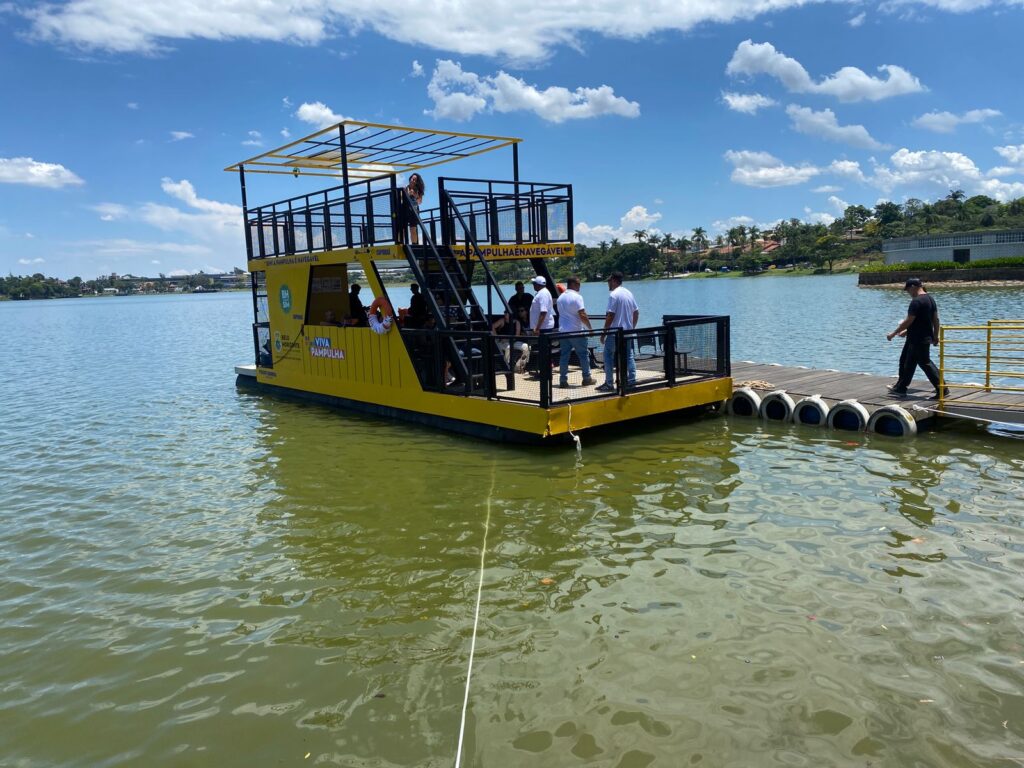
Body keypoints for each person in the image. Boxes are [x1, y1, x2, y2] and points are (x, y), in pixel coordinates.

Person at [886, 277, 946, 398]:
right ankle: (901, 388)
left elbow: (909, 320)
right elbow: (934, 319)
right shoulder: (930, 299)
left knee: (925, 363)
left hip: (919, 339)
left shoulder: (916, 301)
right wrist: (935, 335)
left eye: (908, 290)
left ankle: (942, 389)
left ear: (913, 287)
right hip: (918, 337)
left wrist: (894, 333)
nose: (908, 293)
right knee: (906, 361)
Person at [598, 271, 639, 392]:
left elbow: (610, 315)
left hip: (614, 333)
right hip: (627, 332)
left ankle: (609, 383)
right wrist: (632, 327)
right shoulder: (628, 293)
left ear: (614, 280)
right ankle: (631, 382)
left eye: (609, 281)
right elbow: (636, 312)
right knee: (629, 357)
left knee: (608, 355)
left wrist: (603, 333)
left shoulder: (614, 295)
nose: (608, 283)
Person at [555, 275, 595, 387]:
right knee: (583, 354)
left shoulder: (560, 298)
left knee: (564, 356)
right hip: (576, 331)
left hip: (563, 331)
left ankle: (563, 380)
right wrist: (590, 329)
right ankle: (587, 378)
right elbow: (582, 314)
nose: (579, 286)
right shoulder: (577, 297)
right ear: (572, 284)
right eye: (578, 284)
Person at [406, 173, 425, 245]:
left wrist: (414, 195)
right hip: (405, 210)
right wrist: (407, 194)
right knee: (402, 229)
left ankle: (414, 244)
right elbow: (401, 199)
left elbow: (420, 202)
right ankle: (401, 244)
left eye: (415, 180)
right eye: (412, 179)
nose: (413, 181)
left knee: (413, 229)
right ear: (410, 179)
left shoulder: (418, 191)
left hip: (414, 211)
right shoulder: (405, 188)